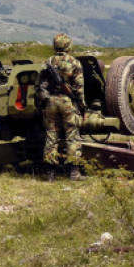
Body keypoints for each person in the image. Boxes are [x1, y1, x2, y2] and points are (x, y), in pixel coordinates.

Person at [39, 33, 87, 180]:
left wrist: (43, 102)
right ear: (68, 45)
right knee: (72, 136)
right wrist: (82, 106)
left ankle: (50, 173)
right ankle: (74, 172)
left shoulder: (47, 62)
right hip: (67, 102)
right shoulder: (74, 62)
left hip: (51, 102)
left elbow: (39, 86)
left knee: (51, 135)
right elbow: (79, 88)